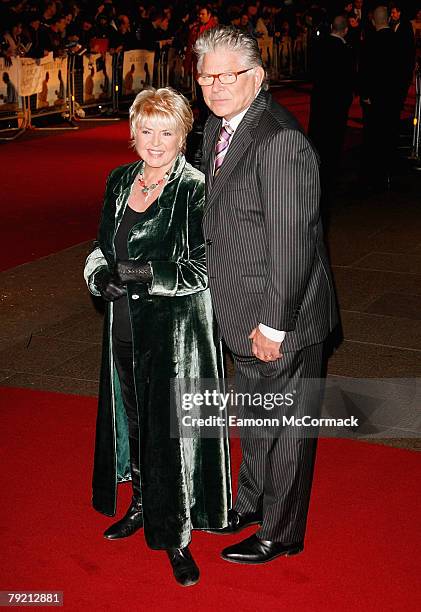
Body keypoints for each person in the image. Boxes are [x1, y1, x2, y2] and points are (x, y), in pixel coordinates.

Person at [194, 26, 338, 564]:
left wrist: (274, 325)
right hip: (238, 303)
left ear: (256, 78)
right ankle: (253, 501)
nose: (215, 86)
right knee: (254, 418)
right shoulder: (218, 126)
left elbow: (294, 242)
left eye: (227, 76)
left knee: (284, 430)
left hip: (282, 313)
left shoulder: (278, 140)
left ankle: (282, 532)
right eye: (206, 76)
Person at [84, 87, 231, 586]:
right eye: (146, 130)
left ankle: (178, 536)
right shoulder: (119, 179)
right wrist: (98, 274)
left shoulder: (195, 188)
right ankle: (143, 505)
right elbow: (102, 248)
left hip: (176, 334)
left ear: (182, 136)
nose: (155, 141)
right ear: (132, 132)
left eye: (166, 132)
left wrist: (145, 273)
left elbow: (206, 266)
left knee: (173, 436)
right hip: (123, 326)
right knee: (133, 420)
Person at [308, 15, 355, 201]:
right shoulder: (345, 51)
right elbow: (348, 79)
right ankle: (330, 174)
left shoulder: (319, 45)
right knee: (333, 139)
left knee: (319, 135)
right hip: (336, 102)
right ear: (345, 30)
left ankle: (315, 169)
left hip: (320, 100)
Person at [359, 6, 403, 187]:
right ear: (388, 19)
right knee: (390, 129)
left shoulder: (370, 41)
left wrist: (366, 93)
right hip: (393, 94)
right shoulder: (397, 40)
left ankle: (374, 170)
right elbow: (402, 69)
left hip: (375, 96)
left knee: (373, 132)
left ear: (373, 21)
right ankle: (389, 168)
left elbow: (365, 70)